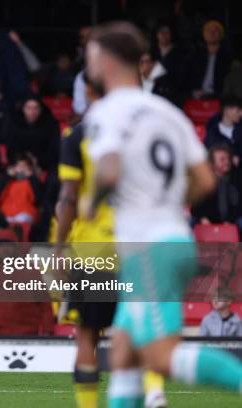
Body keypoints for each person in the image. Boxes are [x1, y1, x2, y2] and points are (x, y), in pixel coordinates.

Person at [84, 22, 241, 405]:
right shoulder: (167, 113)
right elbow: (205, 179)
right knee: (123, 351)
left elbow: (109, 168)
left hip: (149, 247)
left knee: (159, 354)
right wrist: (166, 201)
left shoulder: (108, 109)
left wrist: (92, 201)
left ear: (105, 61)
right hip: (173, 239)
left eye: (89, 54)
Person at [55, 72, 166, 408]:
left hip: (94, 249)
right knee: (140, 326)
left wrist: (60, 248)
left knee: (87, 333)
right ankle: (154, 390)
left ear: (87, 91)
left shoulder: (77, 135)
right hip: (138, 242)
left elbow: (68, 197)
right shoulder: (144, 130)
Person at [0, 229, 54, 336]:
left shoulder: (31, 271)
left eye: (9, 245)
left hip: (31, 334)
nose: (4, 249)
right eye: (0, 246)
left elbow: (45, 304)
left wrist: (46, 330)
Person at [191, 144, 242, 230]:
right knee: (191, 223)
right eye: (222, 159)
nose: (227, 162)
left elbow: (239, 206)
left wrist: (230, 221)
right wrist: (203, 218)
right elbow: (196, 208)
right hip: (209, 221)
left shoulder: (237, 177)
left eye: (228, 158)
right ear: (212, 163)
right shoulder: (206, 181)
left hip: (234, 221)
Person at [4, 97, 60, 174]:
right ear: (23, 109)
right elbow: (11, 147)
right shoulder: (14, 124)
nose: (32, 112)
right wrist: (23, 161)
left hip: (44, 164)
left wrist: (37, 161)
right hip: (19, 162)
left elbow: (53, 148)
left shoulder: (51, 124)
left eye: (36, 108)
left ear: (40, 110)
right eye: (29, 108)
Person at [187, 20, 232, 99]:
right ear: (204, 35)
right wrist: (193, 92)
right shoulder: (195, 56)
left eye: (215, 30)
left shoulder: (228, 57)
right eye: (209, 31)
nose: (212, 33)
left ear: (221, 34)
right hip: (196, 96)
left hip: (219, 97)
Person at [0, 154, 43, 224]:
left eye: (24, 166)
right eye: (19, 166)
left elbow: (37, 199)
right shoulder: (8, 180)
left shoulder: (32, 181)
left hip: (26, 213)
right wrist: (7, 177)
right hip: (6, 213)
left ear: (29, 168)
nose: (21, 168)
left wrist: (32, 177)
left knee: (22, 219)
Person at [204, 95, 242, 161]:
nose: (241, 114)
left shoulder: (240, 131)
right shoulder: (210, 130)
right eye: (238, 110)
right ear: (226, 110)